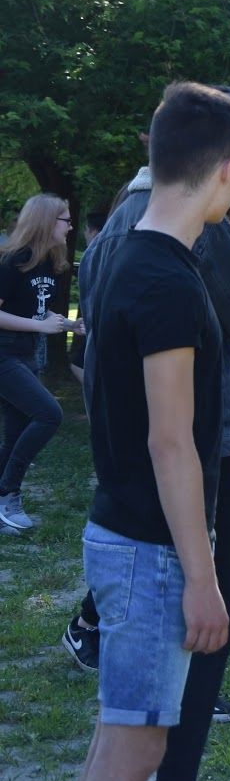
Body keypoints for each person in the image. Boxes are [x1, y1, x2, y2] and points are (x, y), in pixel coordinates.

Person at [76, 82, 230, 781]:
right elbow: (171, 442)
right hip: (149, 550)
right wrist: (203, 580)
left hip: (125, 534)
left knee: (118, 741)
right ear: (227, 170)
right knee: (136, 754)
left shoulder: (130, 255)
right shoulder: (166, 279)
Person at [0, 193, 80, 531]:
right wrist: (39, 326)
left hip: (26, 352)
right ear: (47, 222)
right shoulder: (12, 260)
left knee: (16, 432)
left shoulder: (49, 263)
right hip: (4, 354)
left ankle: (4, 502)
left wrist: (69, 324)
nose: (71, 226)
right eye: (66, 220)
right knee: (49, 414)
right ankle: (8, 491)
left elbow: (35, 310)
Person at [68, 208, 108, 386]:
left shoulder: (95, 255)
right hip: (102, 320)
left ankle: (101, 396)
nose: (84, 234)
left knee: (79, 365)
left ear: (93, 231)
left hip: (101, 320)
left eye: (85, 229)